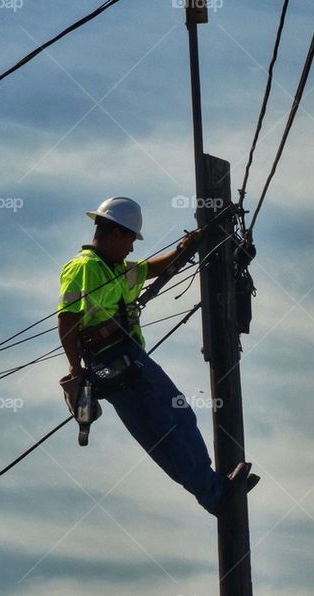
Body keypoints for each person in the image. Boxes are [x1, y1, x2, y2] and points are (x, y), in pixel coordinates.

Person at [56, 196, 256, 516]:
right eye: (131, 240)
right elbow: (67, 319)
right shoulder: (86, 268)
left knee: (167, 427)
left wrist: (184, 249)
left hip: (123, 361)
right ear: (117, 233)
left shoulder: (115, 270)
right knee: (171, 423)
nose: (132, 249)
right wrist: (74, 367)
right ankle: (214, 492)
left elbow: (150, 269)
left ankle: (213, 491)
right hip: (116, 359)